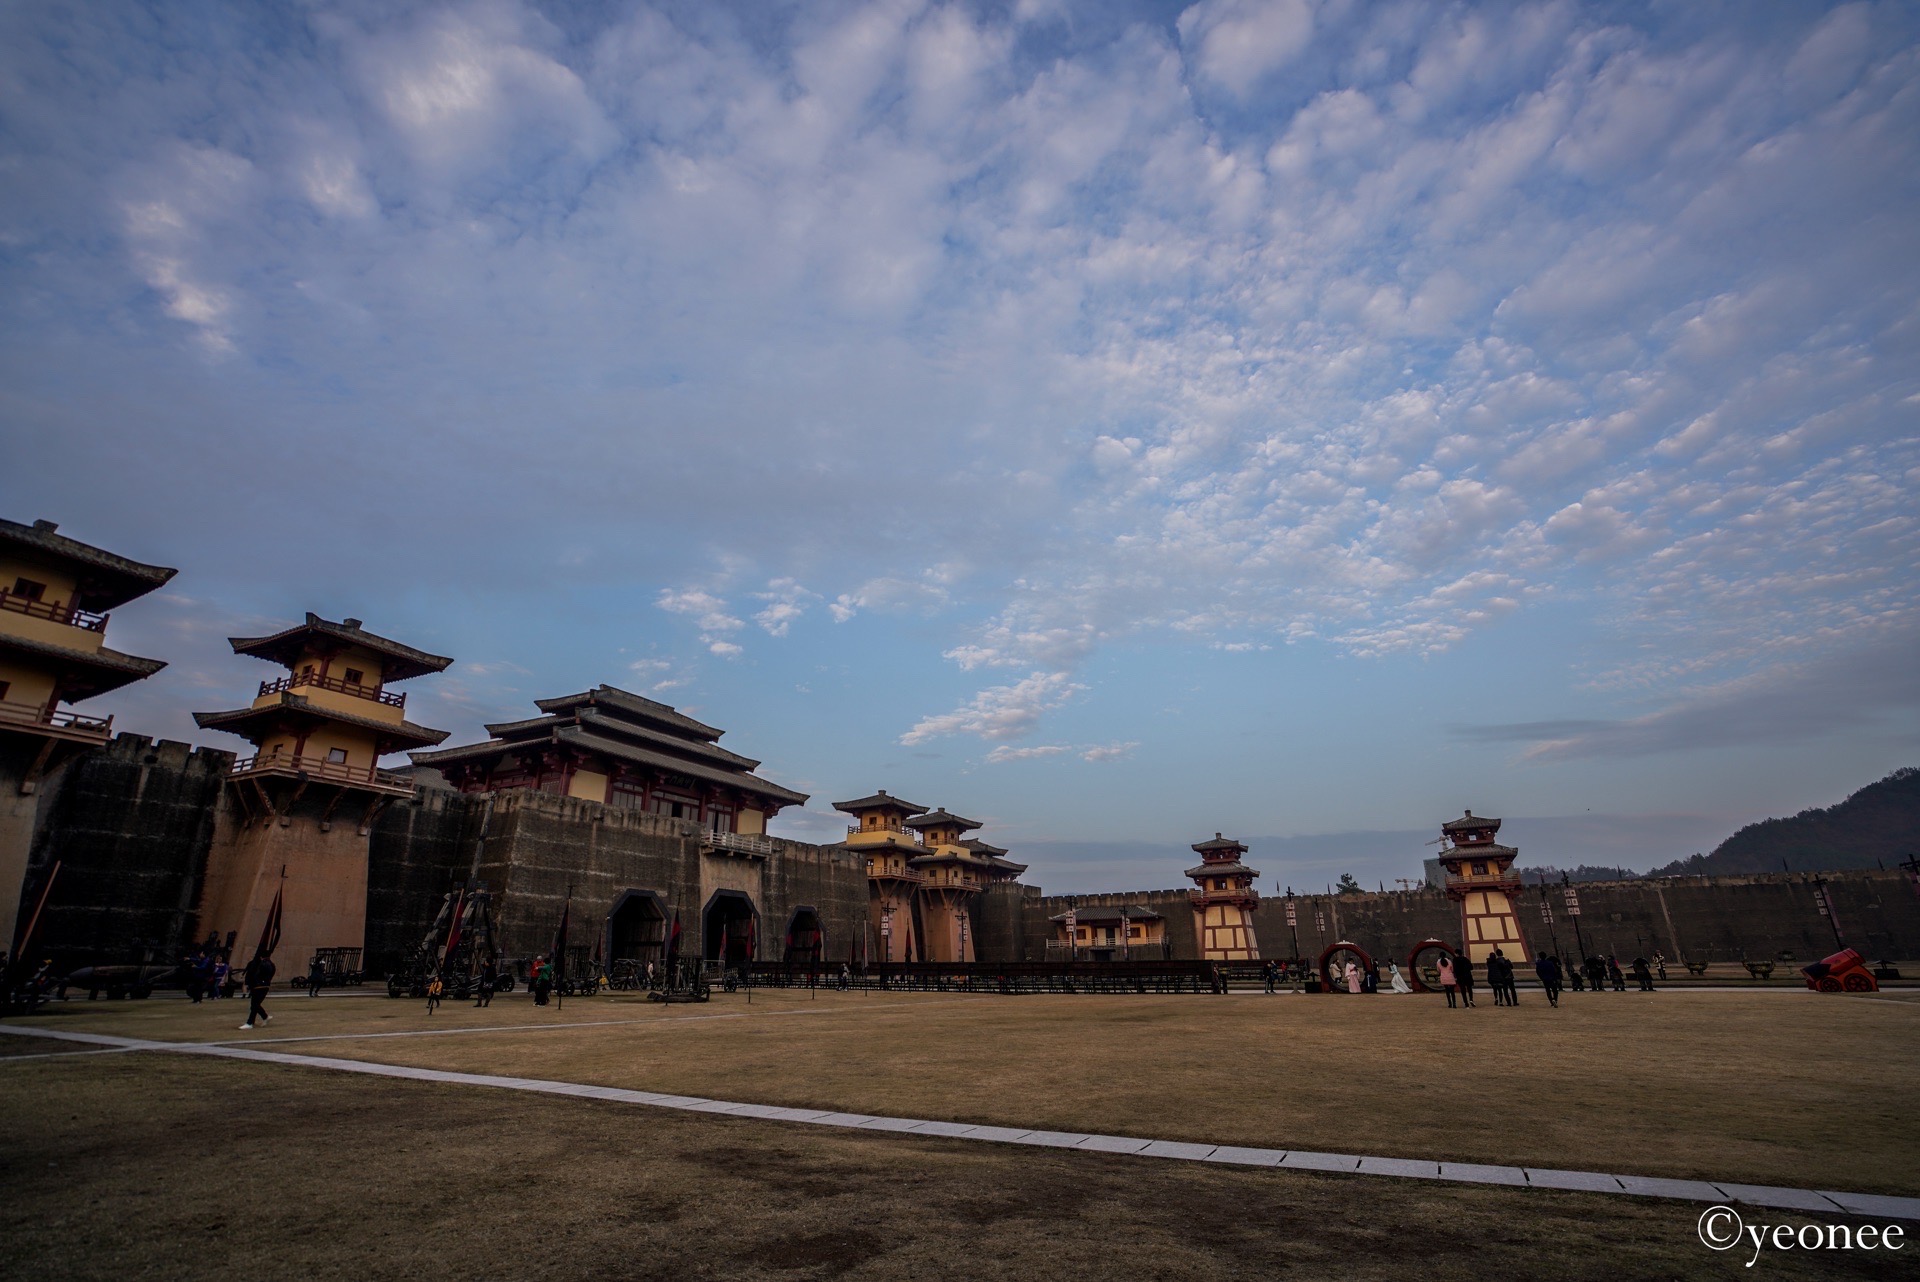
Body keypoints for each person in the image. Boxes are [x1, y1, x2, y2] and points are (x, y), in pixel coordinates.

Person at [239, 952, 275, 1030]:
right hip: (265, 985)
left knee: (255, 1004)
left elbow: (253, 973)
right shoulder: (272, 964)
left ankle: (252, 1021)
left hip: (258, 986)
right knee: (255, 1004)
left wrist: (251, 982)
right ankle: (255, 1020)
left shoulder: (260, 964)